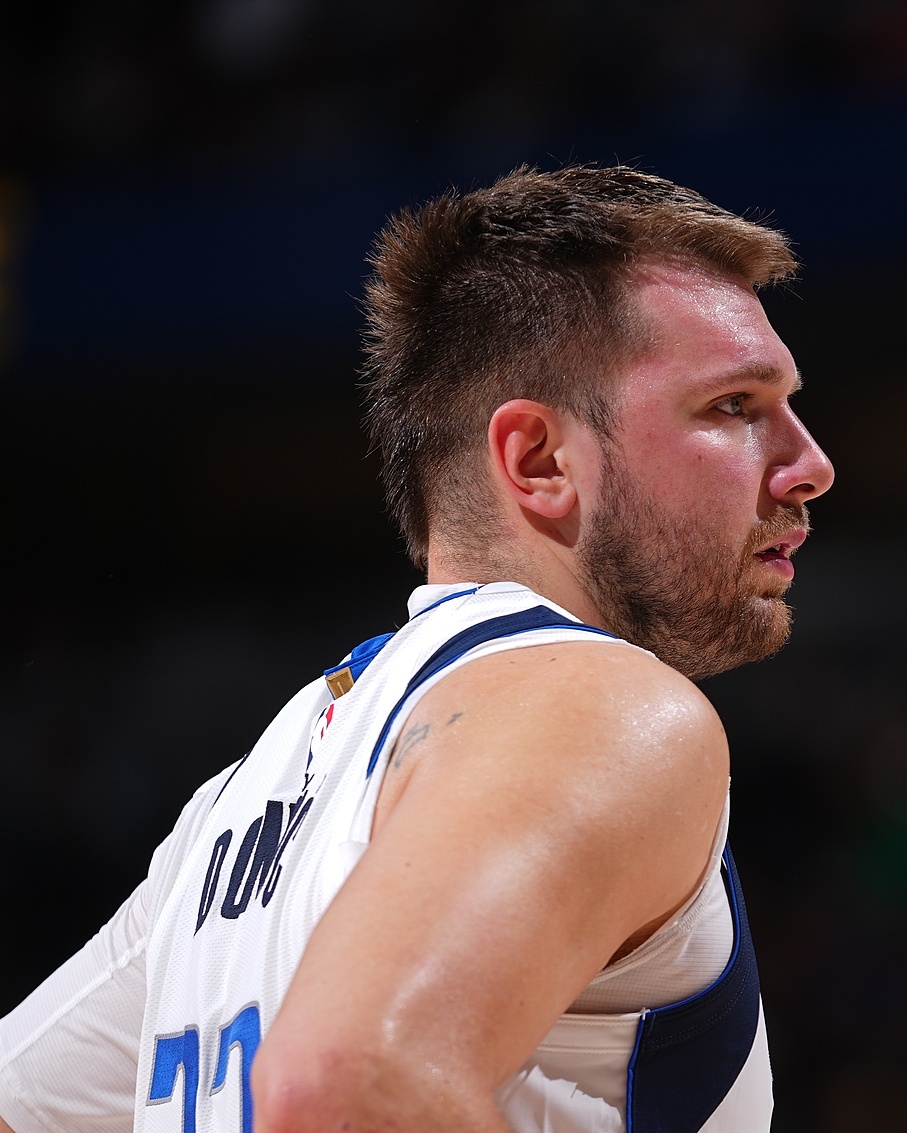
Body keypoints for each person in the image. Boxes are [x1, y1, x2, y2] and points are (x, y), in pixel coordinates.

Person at [0, 165, 833, 1133]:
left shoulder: (233, 810)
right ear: (538, 459)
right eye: (734, 405)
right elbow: (345, 1084)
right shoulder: (606, 705)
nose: (810, 464)